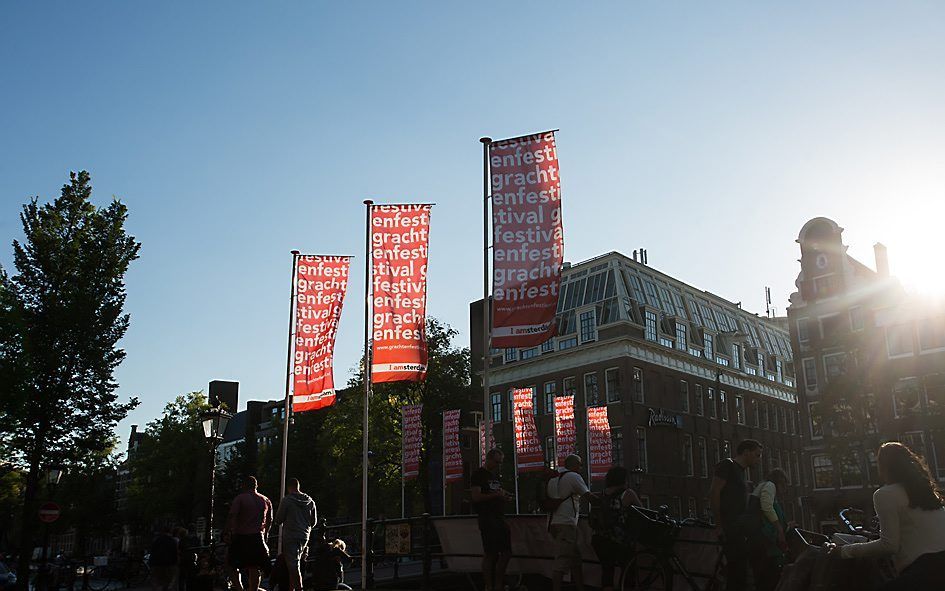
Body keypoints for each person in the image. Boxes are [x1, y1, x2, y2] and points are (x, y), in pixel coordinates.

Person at [828, 442, 945, 590]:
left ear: (885, 468)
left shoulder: (885, 494)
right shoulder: (927, 493)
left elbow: (889, 545)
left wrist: (844, 551)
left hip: (925, 571)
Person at [708, 439, 763, 591]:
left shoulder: (741, 472)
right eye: (757, 455)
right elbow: (714, 493)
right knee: (736, 571)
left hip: (738, 528)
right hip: (730, 528)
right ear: (746, 452)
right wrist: (719, 525)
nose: (759, 460)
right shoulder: (728, 465)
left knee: (740, 571)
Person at [548, 454, 596, 591]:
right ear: (574, 465)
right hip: (566, 523)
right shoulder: (573, 477)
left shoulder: (553, 478)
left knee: (575, 559)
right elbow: (588, 496)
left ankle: (580, 587)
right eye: (580, 465)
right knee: (561, 561)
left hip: (553, 523)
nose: (581, 468)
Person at [590, 466, 642, 591]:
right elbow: (642, 512)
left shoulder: (601, 494)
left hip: (599, 539)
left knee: (607, 571)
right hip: (619, 540)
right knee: (628, 571)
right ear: (623, 479)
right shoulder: (627, 493)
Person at [470, 448, 513, 591]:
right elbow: (476, 497)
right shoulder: (478, 475)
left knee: (507, 552)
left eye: (500, 462)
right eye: (496, 462)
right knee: (490, 552)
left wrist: (505, 497)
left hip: (499, 516)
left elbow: (497, 492)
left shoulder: (495, 476)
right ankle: (489, 585)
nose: (498, 465)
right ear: (488, 459)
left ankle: (498, 583)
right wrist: (496, 496)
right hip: (487, 518)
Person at [224, 476, 273, 591]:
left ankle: (239, 588)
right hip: (257, 537)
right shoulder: (265, 500)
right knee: (254, 567)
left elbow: (232, 516)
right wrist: (265, 535)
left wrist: (226, 531)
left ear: (244, 485)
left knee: (231, 564)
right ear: (256, 485)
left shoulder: (240, 499)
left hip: (241, 536)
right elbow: (269, 520)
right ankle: (253, 589)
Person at [749, 468, 789, 591]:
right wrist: (780, 530)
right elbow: (767, 509)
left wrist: (786, 526)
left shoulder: (770, 494)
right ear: (779, 482)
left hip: (767, 545)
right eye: (784, 484)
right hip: (767, 547)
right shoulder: (770, 486)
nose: (785, 489)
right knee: (768, 580)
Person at [273, 478, 316, 591]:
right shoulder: (310, 501)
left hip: (291, 536)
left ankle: (299, 588)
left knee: (292, 565)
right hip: (304, 536)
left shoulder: (287, 501)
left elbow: (278, 520)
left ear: (288, 487)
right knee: (296, 563)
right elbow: (314, 522)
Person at [148, 527, 179, 591]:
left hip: (156, 564)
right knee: (167, 581)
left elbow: (152, 551)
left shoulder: (157, 540)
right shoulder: (173, 541)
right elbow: (175, 553)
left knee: (157, 582)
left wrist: (151, 563)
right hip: (168, 564)